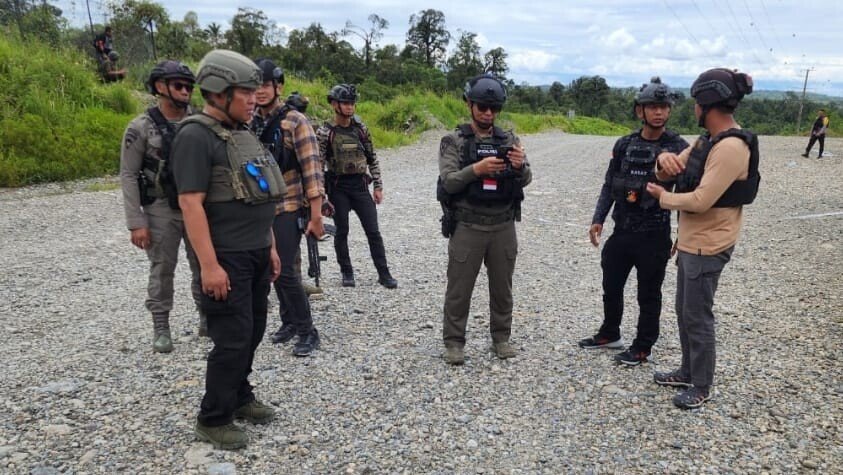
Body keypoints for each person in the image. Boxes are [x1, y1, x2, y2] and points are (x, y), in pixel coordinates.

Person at [171, 49, 285, 449]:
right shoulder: (195, 136)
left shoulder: (241, 133)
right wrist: (209, 266)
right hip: (226, 258)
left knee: (252, 331)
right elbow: (190, 203)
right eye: (246, 92)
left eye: (256, 92)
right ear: (219, 91)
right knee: (232, 338)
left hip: (255, 251)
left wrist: (269, 246)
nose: (254, 99)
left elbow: (259, 197)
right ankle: (213, 417)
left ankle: (239, 395)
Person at [646, 68, 759, 409]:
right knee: (685, 310)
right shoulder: (706, 141)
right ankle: (687, 369)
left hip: (709, 245)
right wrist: (662, 164)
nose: (693, 108)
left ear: (707, 103)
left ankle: (702, 384)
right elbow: (672, 169)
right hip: (692, 242)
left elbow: (700, 200)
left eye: (696, 102)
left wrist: (662, 197)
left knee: (698, 315)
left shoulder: (730, 148)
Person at [579, 77, 689, 366]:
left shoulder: (679, 146)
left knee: (649, 294)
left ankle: (643, 346)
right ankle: (610, 333)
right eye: (652, 107)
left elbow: (688, 193)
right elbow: (609, 184)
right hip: (622, 230)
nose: (659, 113)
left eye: (664, 107)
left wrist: (683, 232)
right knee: (611, 285)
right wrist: (598, 218)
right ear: (640, 110)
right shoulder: (625, 144)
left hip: (655, 234)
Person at [437, 74, 531, 365]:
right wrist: (477, 169)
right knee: (459, 289)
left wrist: (519, 166)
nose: (488, 113)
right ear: (469, 105)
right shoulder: (453, 140)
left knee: (502, 288)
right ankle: (454, 342)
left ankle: (501, 338)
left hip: (503, 225)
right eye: (482, 107)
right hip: (468, 225)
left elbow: (526, 177)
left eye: (493, 108)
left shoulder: (509, 139)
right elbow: (449, 182)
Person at [119, 60, 203, 353]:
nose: (185, 91)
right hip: (160, 208)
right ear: (159, 87)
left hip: (197, 207)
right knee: (162, 268)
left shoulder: (200, 121)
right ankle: (161, 326)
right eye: (179, 85)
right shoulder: (141, 127)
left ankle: (206, 317)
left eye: (188, 87)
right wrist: (136, 221)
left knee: (203, 263)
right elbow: (129, 174)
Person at [250, 58, 325, 356]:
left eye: (265, 85)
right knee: (272, 267)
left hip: (290, 204)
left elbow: (312, 168)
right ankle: (289, 321)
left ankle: (308, 329)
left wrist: (317, 214)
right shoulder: (252, 121)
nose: (260, 91)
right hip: (261, 207)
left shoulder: (296, 121)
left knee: (285, 270)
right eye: (254, 86)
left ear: (278, 86)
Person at [316, 84, 398, 289]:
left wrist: (378, 186)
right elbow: (317, 165)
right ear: (335, 104)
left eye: (352, 103)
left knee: (373, 231)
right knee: (341, 230)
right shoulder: (326, 132)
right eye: (345, 103)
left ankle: (384, 273)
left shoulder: (361, 130)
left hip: (360, 185)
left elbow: (372, 158)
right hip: (338, 186)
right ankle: (347, 272)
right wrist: (321, 196)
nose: (350, 107)